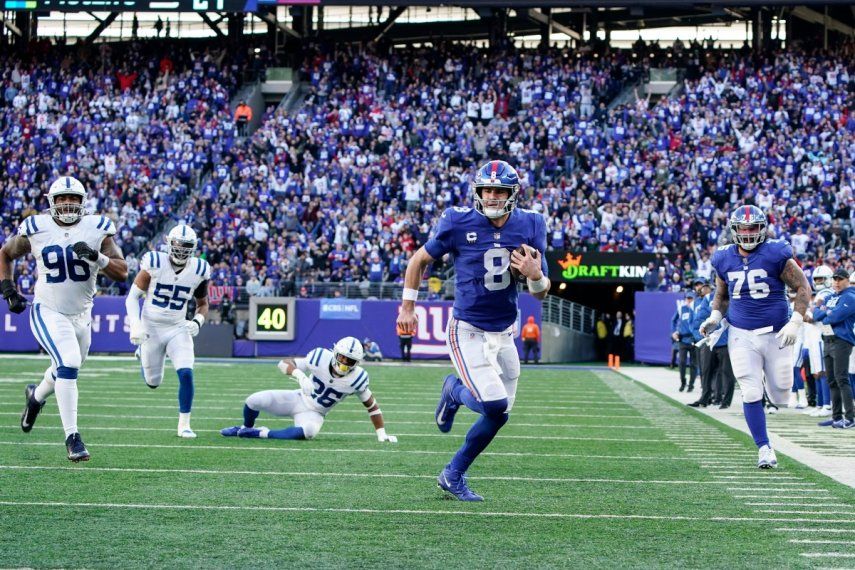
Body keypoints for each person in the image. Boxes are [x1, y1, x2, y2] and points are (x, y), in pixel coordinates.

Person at [396, 160, 550, 502]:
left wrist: (534, 274)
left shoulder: (532, 223)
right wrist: (408, 307)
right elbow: (418, 261)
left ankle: (453, 474)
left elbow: (541, 292)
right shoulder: (457, 220)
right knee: (494, 405)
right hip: (468, 330)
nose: (492, 196)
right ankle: (453, 390)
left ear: (512, 194)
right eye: (487, 189)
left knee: (501, 414)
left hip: (505, 331)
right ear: (477, 191)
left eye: (499, 190)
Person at [0, 176, 128, 461]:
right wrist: (7, 287)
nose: (67, 203)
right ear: (52, 202)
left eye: (72, 198)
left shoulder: (97, 228)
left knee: (65, 367)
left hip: (82, 314)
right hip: (48, 309)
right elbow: (6, 254)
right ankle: (73, 438)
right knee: (68, 362)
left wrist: (98, 257)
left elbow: (122, 272)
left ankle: (35, 398)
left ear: (82, 203)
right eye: (61, 199)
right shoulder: (37, 227)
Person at [701, 205, 810, 469]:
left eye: (753, 228)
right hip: (741, 332)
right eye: (743, 228)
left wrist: (795, 321)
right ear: (734, 230)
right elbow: (722, 293)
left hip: (776, 333)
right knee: (750, 391)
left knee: (781, 393)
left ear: (762, 228)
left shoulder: (776, 253)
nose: (748, 233)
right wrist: (715, 316)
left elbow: (802, 287)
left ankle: (773, 388)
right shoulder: (724, 258)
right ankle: (764, 448)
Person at [220, 337, 398, 442]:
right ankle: (243, 428)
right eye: (342, 358)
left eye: (349, 361)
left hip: (315, 413)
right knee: (253, 400)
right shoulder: (320, 357)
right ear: (335, 353)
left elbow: (372, 407)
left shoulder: (358, 378)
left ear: (357, 363)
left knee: (309, 432)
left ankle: (258, 433)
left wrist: (381, 434)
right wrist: (300, 375)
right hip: (297, 398)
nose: (344, 363)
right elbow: (283, 363)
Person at [125, 224, 210, 438]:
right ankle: (142, 354)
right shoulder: (154, 262)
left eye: (186, 246)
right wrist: (136, 325)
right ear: (169, 243)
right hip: (151, 327)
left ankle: (184, 425)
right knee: (153, 382)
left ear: (194, 248)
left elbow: (203, 304)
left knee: (186, 373)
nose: (181, 250)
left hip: (177, 327)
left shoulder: (199, 270)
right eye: (178, 245)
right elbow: (132, 297)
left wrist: (197, 321)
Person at [811, 267, 855, 429]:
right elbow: (816, 314)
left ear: (847, 280)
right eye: (835, 279)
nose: (836, 282)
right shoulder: (831, 296)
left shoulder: (850, 296)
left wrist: (826, 311)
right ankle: (836, 417)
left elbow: (835, 316)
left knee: (841, 378)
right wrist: (826, 311)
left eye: (840, 279)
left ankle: (850, 417)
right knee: (832, 380)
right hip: (828, 339)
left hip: (842, 340)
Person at [672, 291, 697, 392]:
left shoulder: (697, 309)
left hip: (694, 339)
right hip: (682, 339)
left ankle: (691, 384)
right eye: (688, 298)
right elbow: (673, 320)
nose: (689, 300)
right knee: (682, 362)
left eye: (691, 298)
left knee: (693, 364)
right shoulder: (681, 309)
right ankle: (683, 382)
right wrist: (673, 331)